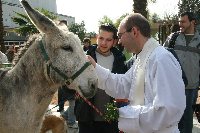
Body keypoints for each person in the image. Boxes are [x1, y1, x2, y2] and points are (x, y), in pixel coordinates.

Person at [87, 13, 186, 133]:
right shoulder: (142, 58)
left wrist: (123, 113)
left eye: (120, 35)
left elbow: (167, 111)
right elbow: (123, 85)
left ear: (134, 31)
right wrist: (94, 68)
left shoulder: (161, 59)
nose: (118, 42)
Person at [75, 23, 127, 133]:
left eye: (108, 40)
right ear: (97, 37)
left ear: (114, 41)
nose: (103, 43)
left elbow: (123, 87)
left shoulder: (120, 61)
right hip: (86, 118)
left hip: (111, 119)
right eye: (101, 38)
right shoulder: (84, 58)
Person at [163, 11, 200, 133]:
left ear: (193, 22)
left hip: (191, 88)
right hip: (172, 87)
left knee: (187, 121)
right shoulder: (173, 38)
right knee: (172, 120)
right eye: (179, 22)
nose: (180, 24)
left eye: (183, 22)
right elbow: (162, 58)